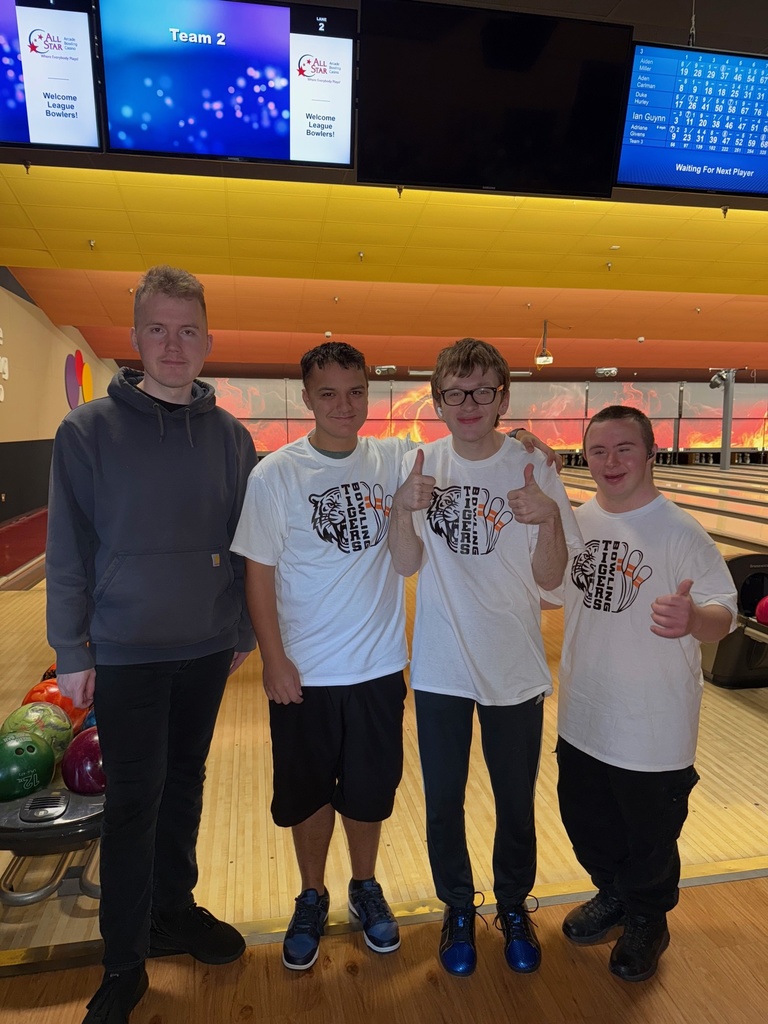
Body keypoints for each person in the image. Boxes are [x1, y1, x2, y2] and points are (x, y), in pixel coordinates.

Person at [231, 340, 558, 972]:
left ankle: (369, 887)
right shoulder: (282, 473)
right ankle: (317, 895)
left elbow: (476, 444)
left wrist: (524, 442)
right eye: (328, 393)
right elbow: (259, 573)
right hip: (322, 666)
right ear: (307, 399)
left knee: (373, 791)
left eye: (355, 391)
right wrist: (272, 658)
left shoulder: (396, 458)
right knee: (313, 794)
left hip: (382, 664)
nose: (343, 404)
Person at [46, 265, 257, 1024]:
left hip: (204, 647)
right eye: (159, 329)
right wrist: (71, 649)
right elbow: (68, 546)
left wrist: (238, 630)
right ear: (136, 338)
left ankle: (174, 907)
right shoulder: (86, 432)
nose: (174, 344)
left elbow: (243, 545)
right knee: (134, 803)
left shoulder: (232, 437)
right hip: (126, 648)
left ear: (208, 341)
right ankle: (124, 959)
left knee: (188, 785)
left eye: (188, 330)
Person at [387, 337, 583, 978]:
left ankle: (512, 904)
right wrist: (402, 509)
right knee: (443, 800)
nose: (468, 403)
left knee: (514, 800)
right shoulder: (421, 462)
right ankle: (457, 909)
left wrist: (550, 520)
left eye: (482, 391)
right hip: (442, 665)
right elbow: (407, 563)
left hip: (516, 664)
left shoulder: (534, 465)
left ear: (503, 397)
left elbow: (555, 590)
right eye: (455, 392)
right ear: (437, 399)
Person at [554, 405, 737, 983]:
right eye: (599, 451)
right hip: (584, 714)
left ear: (651, 453)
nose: (610, 462)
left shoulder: (681, 531)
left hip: (652, 723)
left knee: (650, 836)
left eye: (624, 449)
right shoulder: (579, 521)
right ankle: (611, 894)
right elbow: (548, 593)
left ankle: (647, 920)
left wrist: (693, 619)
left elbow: (725, 615)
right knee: (587, 821)